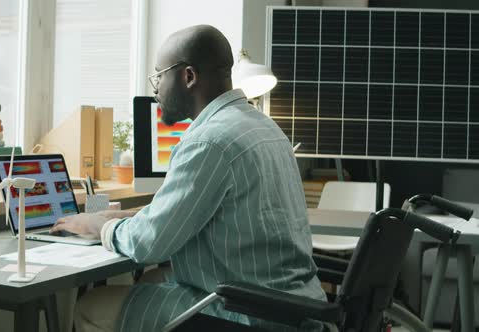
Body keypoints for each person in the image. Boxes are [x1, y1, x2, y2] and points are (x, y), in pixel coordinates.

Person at [51, 24, 326, 332]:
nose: (155, 89)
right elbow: (215, 214)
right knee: (154, 278)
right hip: (295, 306)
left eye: (159, 76)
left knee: (91, 307)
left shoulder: (208, 141)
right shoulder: (266, 128)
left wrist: (100, 225)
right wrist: (133, 214)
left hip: (247, 314)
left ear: (188, 76)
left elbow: (149, 245)